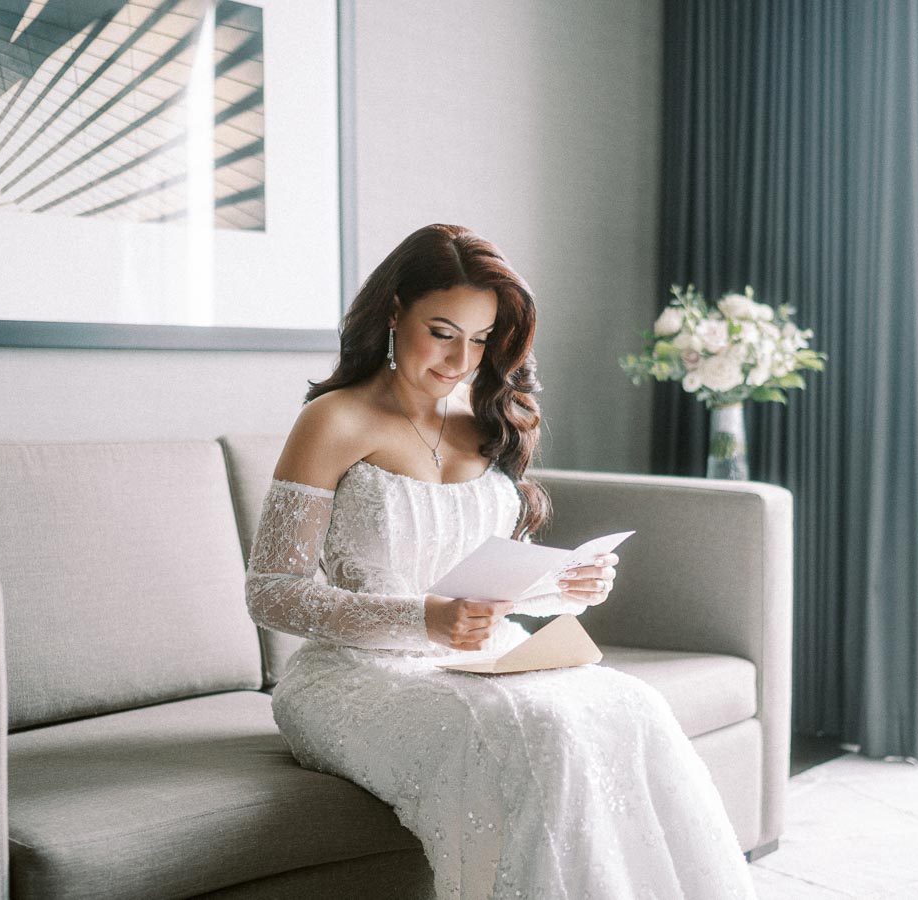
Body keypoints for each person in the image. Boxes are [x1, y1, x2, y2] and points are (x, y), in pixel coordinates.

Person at [245, 224, 756, 899]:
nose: (462, 359)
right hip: (350, 675)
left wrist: (562, 585)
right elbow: (271, 591)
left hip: (484, 655)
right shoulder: (334, 421)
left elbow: (481, 579)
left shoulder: (496, 417)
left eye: (482, 340)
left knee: (633, 705)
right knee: (539, 730)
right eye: (444, 330)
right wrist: (422, 620)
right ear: (393, 310)